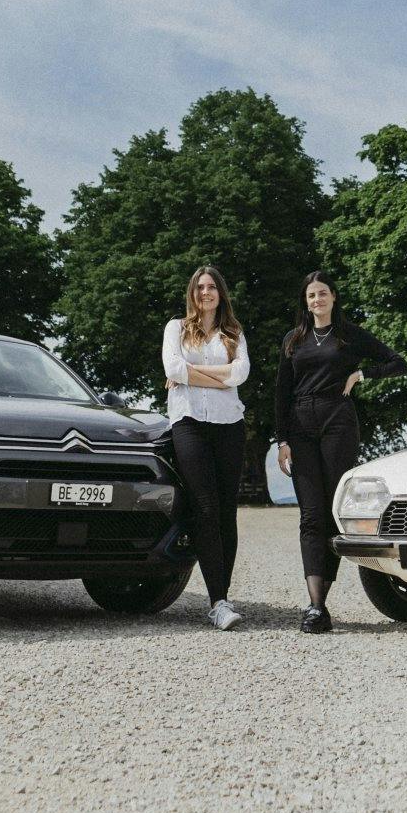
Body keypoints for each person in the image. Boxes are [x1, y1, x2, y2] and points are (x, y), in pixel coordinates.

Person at [275, 270, 406, 634]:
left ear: (333, 297)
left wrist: (362, 375)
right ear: (306, 301)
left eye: (322, 294)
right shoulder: (293, 340)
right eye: (310, 295)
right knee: (310, 515)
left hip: (338, 423)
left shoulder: (348, 335)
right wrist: (282, 440)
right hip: (300, 425)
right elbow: (281, 393)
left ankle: (322, 604)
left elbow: (398, 362)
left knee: (332, 512)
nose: (316, 300)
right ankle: (315, 606)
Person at [162, 266, 250, 630]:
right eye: (200, 287)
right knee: (205, 507)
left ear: (221, 293)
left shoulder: (234, 332)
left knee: (227, 510)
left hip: (230, 425)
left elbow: (241, 374)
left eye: (212, 286)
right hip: (189, 423)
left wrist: (191, 374)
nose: (206, 292)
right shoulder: (176, 328)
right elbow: (171, 365)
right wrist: (219, 376)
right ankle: (217, 601)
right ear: (192, 293)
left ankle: (222, 597)